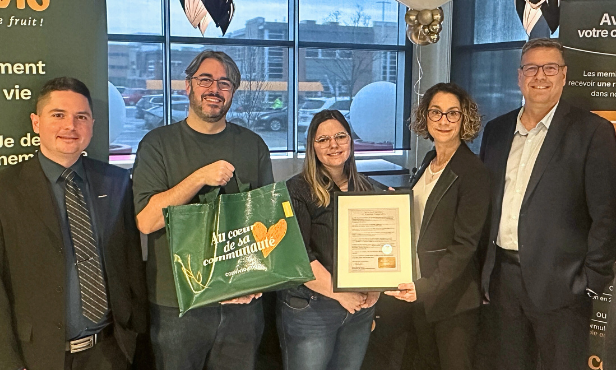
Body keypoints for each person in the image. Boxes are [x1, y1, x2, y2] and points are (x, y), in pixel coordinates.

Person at [480, 38, 616, 370]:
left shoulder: (592, 132)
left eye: (550, 68)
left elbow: (607, 213)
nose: (540, 76)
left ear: (564, 75)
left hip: (563, 288)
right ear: (519, 76)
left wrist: (591, 282)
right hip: (502, 282)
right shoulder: (496, 131)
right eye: (531, 68)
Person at [132, 50, 273, 370]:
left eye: (225, 83)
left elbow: (266, 223)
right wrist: (199, 178)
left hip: (241, 302)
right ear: (188, 85)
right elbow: (147, 221)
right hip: (178, 304)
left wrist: (251, 282)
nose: (215, 89)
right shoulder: (157, 144)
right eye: (205, 80)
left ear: (233, 91)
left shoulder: (253, 146)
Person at [0, 77, 147, 370]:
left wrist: (136, 340)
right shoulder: (6, 190)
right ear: (36, 123)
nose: (70, 126)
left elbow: (131, 265)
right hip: (37, 358)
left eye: (81, 117)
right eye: (58, 115)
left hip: (111, 352)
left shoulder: (116, 182)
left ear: (92, 124)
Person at [385, 82, 489, 370]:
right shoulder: (430, 160)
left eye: (452, 113)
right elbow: (425, 213)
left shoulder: (473, 171)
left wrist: (428, 287)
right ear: (425, 117)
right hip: (422, 290)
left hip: (453, 300)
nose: (444, 120)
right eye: (436, 112)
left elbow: (465, 245)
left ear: (464, 118)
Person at [277, 109, 379, 370]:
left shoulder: (368, 188)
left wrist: (376, 289)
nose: (333, 144)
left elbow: (377, 247)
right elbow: (299, 257)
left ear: (351, 141)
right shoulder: (297, 190)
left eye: (340, 136)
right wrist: (341, 294)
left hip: (359, 308)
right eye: (323, 139)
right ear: (312, 147)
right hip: (312, 309)